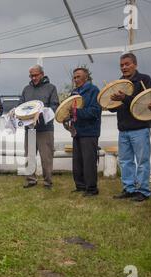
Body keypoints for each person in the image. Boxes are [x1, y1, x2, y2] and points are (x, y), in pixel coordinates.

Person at [110, 53, 151, 202]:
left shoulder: (144, 79)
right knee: (125, 161)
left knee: (142, 161)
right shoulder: (119, 82)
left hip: (140, 127)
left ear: (135, 64)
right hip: (123, 129)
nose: (124, 67)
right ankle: (129, 188)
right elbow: (113, 108)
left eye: (127, 64)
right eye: (122, 65)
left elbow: (145, 103)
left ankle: (143, 191)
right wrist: (110, 102)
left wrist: (125, 98)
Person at [20, 65, 59, 189]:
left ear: (42, 74)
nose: (34, 77)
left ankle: (47, 181)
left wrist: (42, 112)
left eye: (36, 75)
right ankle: (31, 179)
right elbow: (20, 105)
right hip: (29, 128)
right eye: (31, 75)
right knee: (29, 155)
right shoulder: (26, 89)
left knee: (46, 157)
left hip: (45, 129)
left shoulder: (51, 88)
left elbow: (55, 106)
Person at [67, 67, 102, 196]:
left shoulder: (94, 90)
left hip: (90, 131)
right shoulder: (74, 92)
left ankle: (92, 188)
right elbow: (69, 110)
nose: (76, 79)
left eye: (78, 77)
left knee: (89, 161)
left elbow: (95, 111)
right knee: (78, 161)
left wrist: (76, 112)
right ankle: (80, 186)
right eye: (74, 77)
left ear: (86, 77)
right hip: (77, 131)